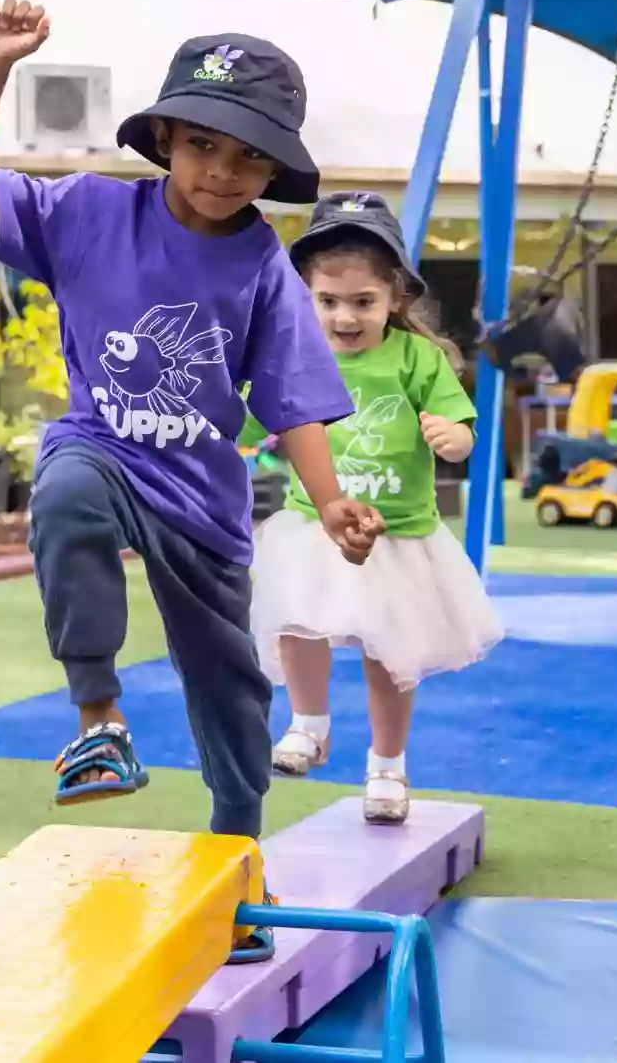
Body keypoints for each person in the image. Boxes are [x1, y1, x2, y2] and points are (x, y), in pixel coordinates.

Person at [0, 0, 384, 964]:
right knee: (63, 497)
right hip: (103, 444)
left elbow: (292, 394)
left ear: (273, 169)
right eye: (201, 146)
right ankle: (98, 717)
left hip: (203, 498)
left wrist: (335, 497)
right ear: (167, 140)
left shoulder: (263, 258)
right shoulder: (91, 210)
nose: (222, 173)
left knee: (228, 685)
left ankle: (237, 856)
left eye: (248, 158)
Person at [246, 192, 504, 824]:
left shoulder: (417, 359)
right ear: (305, 296)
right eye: (327, 302)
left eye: (363, 302)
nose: (344, 318)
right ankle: (309, 722)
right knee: (295, 617)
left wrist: (455, 438)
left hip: (401, 535)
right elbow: (256, 416)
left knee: (391, 655)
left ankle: (388, 765)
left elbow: (461, 426)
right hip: (317, 525)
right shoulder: (297, 355)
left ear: (395, 298)